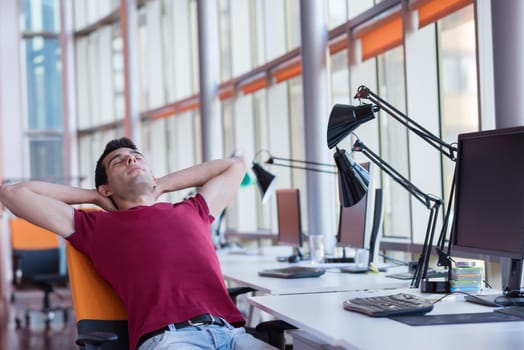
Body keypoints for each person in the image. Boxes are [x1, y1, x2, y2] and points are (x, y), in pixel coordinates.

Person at [0, 137, 274, 350]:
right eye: (118, 161)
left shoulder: (194, 210)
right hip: (172, 339)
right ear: (106, 188)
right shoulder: (94, 227)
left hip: (233, 334)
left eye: (136, 157)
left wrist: (162, 184)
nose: (130, 160)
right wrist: (93, 196)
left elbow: (235, 166)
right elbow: (13, 193)